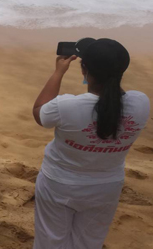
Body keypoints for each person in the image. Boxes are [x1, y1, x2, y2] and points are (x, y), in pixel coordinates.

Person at [32, 38, 150, 249]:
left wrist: (59, 71)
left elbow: (40, 113)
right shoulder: (140, 103)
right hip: (107, 187)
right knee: (89, 242)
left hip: (58, 184)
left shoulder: (67, 106)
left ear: (84, 69)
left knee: (50, 240)